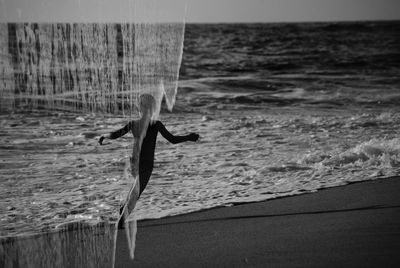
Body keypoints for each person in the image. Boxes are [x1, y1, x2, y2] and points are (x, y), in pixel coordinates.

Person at [98, 94, 199, 225]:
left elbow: (117, 134)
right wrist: (188, 137)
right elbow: (172, 140)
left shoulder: (133, 124)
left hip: (134, 161)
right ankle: (121, 221)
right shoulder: (156, 125)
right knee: (136, 193)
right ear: (153, 109)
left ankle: (122, 211)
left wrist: (104, 136)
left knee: (135, 190)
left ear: (139, 108)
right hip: (146, 162)